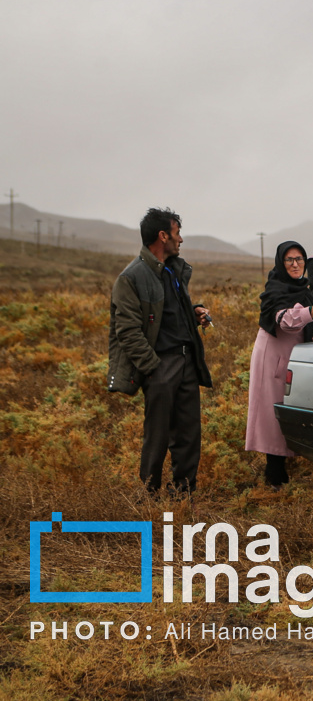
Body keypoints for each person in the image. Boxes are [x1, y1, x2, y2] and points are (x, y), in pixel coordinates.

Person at [108, 207, 213, 494]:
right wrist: (153, 368)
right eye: (177, 233)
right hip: (160, 365)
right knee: (157, 436)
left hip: (186, 361)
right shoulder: (131, 277)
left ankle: (184, 493)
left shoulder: (173, 269)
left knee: (190, 434)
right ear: (163, 235)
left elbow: (167, 314)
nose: (181, 240)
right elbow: (127, 331)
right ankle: (148, 496)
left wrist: (194, 313)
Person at [245, 241, 313, 487]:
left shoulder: (303, 288)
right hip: (273, 357)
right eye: (290, 260)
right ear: (281, 262)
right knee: (272, 412)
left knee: (290, 409)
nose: (296, 264)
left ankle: (281, 469)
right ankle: (274, 474)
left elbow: (310, 319)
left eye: (300, 259)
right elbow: (285, 321)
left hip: (293, 356)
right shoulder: (275, 289)